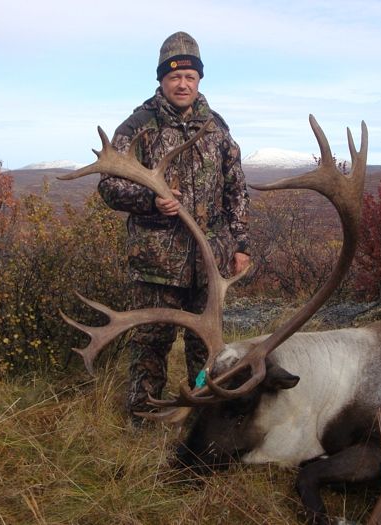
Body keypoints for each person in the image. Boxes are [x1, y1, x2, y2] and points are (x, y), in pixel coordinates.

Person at [98, 31, 251, 424]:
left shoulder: (217, 127)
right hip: (157, 262)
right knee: (152, 340)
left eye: (190, 77)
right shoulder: (138, 126)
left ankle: (203, 414)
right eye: (174, 77)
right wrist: (150, 200)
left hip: (209, 258)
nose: (183, 84)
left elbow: (236, 189)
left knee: (207, 342)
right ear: (162, 80)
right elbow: (109, 186)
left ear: (199, 80)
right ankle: (143, 416)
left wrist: (240, 244)